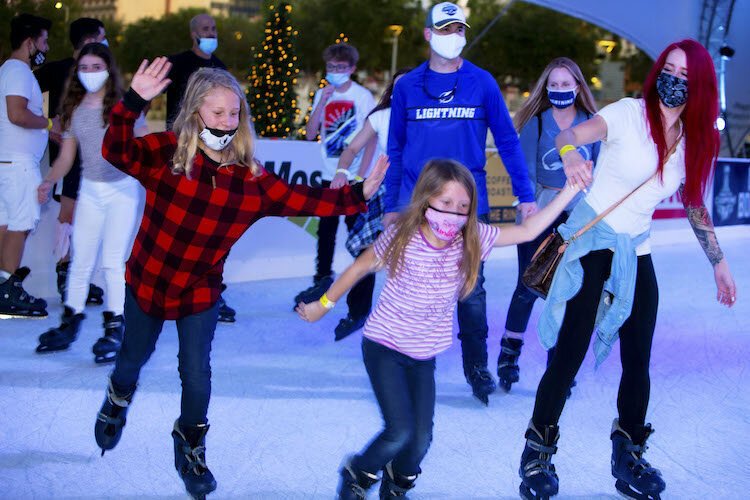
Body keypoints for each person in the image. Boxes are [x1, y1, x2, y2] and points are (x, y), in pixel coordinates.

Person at [91, 61, 388, 499]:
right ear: (196, 113)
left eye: (234, 114)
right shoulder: (167, 154)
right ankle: (117, 398)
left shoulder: (251, 181)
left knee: (197, 375)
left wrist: (355, 195)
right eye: (217, 114)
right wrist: (133, 102)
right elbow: (115, 152)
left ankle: (190, 444)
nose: (228, 123)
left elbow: (303, 198)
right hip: (149, 281)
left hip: (200, 290)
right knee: (134, 357)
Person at [517, 39, 737, 500]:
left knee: (638, 358)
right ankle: (538, 453)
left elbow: (695, 202)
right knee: (570, 353)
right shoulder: (625, 113)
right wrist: (573, 154)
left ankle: (629, 453)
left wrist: (718, 263)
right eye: (669, 70)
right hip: (593, 243)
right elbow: (567, 136)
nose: (674, 81)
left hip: (636, 252)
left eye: (685, 77)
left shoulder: (694, 141)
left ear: (699, 89)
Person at [297, 159, 580, 499]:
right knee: (399, 430)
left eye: (463, 207)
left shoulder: (472, 237)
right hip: (384, 346)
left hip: (423, 355)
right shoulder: (403, 236)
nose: (454, 214)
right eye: (446, 204)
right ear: (427, 199)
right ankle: (357, 474)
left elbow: (529, 231)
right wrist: (323, 306)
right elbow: (359, 267)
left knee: (421, 438)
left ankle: (397, 482)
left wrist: (570, 191)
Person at [385, 1, 536, 404]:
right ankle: (412, 367)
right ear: (428, 35)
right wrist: (391, 206)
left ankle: (476, 368)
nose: (453, 37)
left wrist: (526, 196)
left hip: (469, 207)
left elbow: (507, 140)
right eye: (445, 29)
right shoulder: (406, 87)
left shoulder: (483, 83)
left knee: (472, 290)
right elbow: (395, 149)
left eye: (459, 30)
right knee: (414, 288)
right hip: (418, 207)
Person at [35, 43, 146, 363]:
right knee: (80, 260)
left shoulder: (123, 107)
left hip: (121, 192)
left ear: (108, 70)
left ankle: (115, 328)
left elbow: (140, 142)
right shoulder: (74, 109)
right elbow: (67, 158)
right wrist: (48, 181)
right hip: (91, 191)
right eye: (85, 68)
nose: (91, 74)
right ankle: (70, 323)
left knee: (112, 262)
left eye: (97, 67)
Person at [497, 57, 600, 393]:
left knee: (565, 291)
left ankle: (557, 365)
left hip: (577, 216)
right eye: (553, 85)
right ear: (546, 88)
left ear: (578, 87)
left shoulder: (591, 123)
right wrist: (526, 204)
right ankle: (509, 355)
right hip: (540, 211)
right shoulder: (537, 123)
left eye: (565, 84)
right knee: (528, 286)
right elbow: (524, 168)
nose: (559, 90)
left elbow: (602, 167)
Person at [292, 42, 377, 339]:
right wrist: (320, 102)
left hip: (354, 180)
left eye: (341, 68)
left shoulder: (363, 97)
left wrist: (361, 176)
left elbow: (371, 137)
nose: (336, 73)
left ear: (352, 68)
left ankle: (359, 301)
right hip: (329, 177)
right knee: (325, 232)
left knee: (360, 240)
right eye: (332, 68)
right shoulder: (323, 93)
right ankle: (321, 280)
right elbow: (312, 132)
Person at [328, 67, 410, 341]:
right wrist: (341, 172)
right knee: (365, 249)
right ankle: (357, 312)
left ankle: (405, 318)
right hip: (384, 191)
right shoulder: (381, 117)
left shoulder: (426, 119)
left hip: (417, 191)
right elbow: (351, 149)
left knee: (412, 256)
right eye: (398, 86)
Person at [166, 13, 235, 323]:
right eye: (206, 29)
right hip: (182, 153)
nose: (211, 33)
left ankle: (211, 291)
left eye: (214, 28)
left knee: (213, 227)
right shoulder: (177, 64)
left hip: (214, 160)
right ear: (193, 33)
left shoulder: (220, 66)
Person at [35, 17, 107, 306]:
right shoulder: (55, 70)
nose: (106, 43)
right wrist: (47, 124)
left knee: (86, 219)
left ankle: (77, 277)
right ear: (90, 39)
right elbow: (17, 98)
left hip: (93, 158)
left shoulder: (98, 73)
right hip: (68, 158)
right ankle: (66, 279)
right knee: (69, 216)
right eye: (103, 37)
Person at [0, 13, 52, 319]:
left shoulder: (6, 70)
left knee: (7, 224)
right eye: (44, 40)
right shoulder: (19, 71)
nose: (46, 46)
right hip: (18, 166)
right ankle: (7, 289)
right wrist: (47, 122)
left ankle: (3, 284)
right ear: (30, 42)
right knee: (20, 225)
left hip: (8, 163)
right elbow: (17, 115)